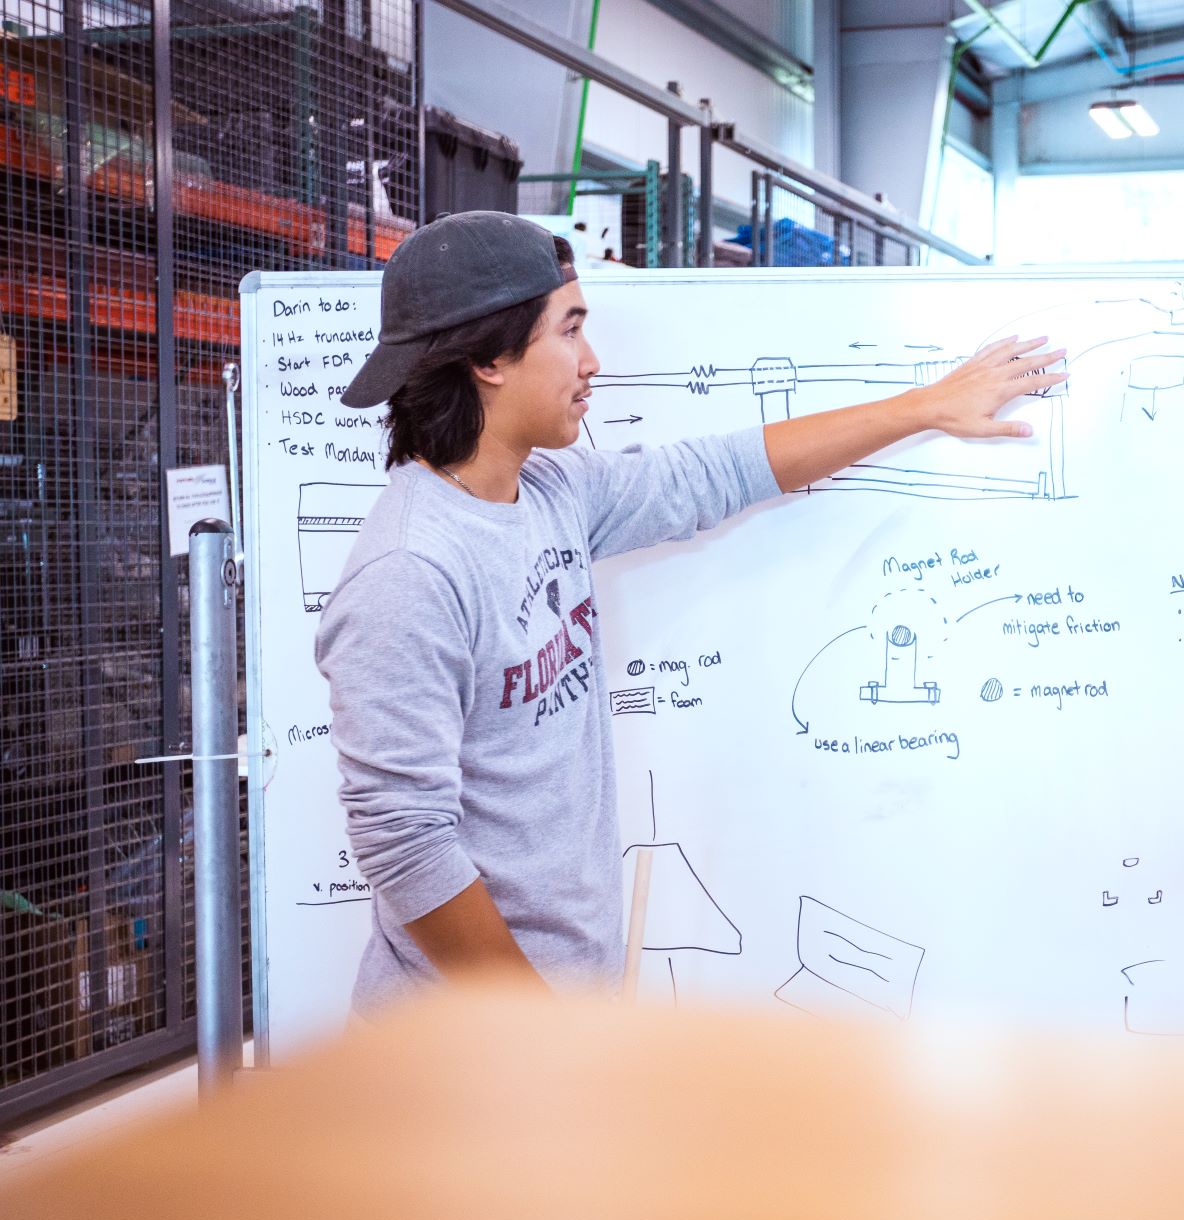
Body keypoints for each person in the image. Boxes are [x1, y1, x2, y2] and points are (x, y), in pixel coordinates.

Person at [316, 211, 1063, 1013]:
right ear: (488, 360)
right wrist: (532, 1029)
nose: (592, 362)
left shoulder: (548, 494)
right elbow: (406, 844)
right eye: (570, 332)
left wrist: (926, 407)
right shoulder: (410, 571)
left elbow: (713, 474)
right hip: (464, 1046)